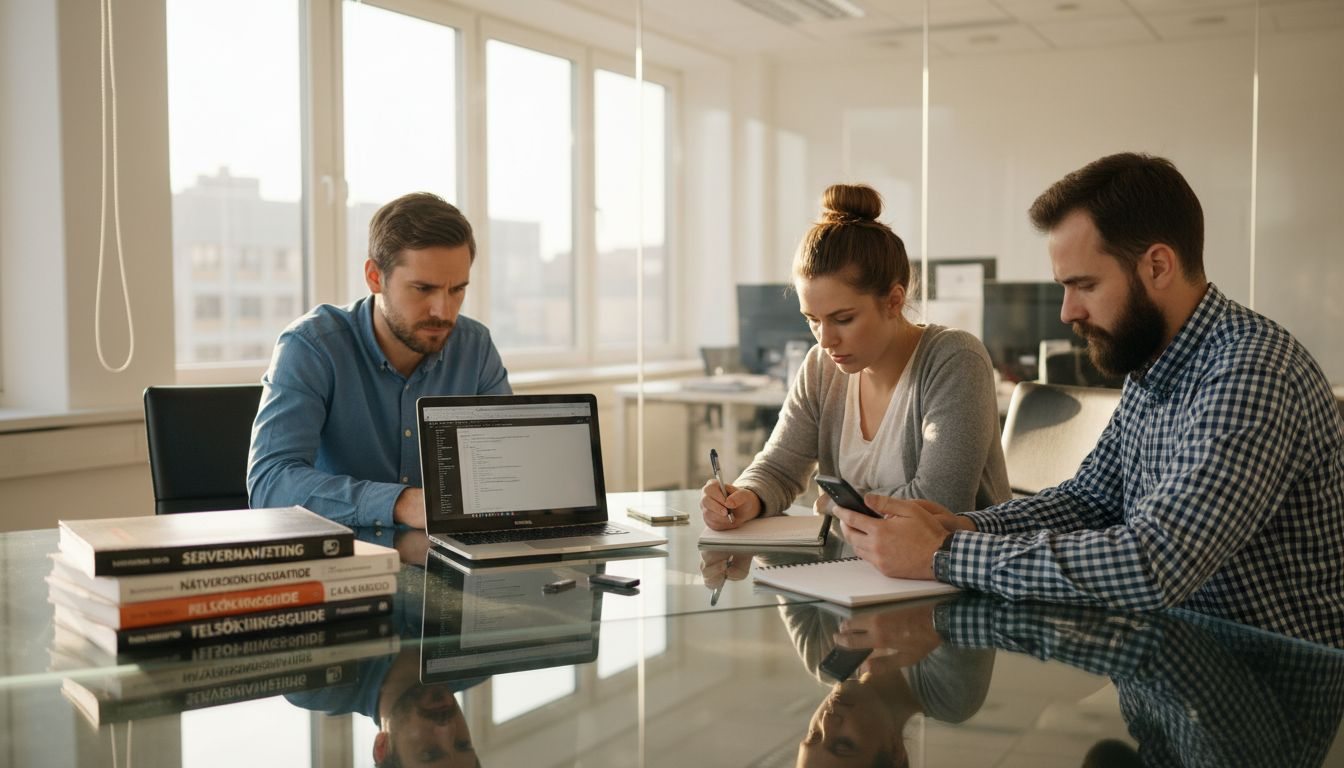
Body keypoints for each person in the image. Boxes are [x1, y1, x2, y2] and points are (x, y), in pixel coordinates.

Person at [833, 153, 1344, 647]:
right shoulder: (1153, 362)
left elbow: (1153, 563)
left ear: (1158, 266)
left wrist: (943, 553)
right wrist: (962, 524)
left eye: (1085, 285)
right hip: (1177, 661)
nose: (1066, 311)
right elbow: (1091, 501)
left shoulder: (1251, 370)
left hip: (1271, 687)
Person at [699, 183, 1009, 529]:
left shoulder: (954, 360)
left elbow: (937, 503)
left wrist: (833, 505)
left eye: (843, 319)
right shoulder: (821, 366)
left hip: (950, 574)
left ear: (893, 301)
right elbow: (779, 468)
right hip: (852, 573)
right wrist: (746, 495)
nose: (826, 339)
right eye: (812, 319)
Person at [248, 192, 510, 529]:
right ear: (374, 277)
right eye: (423, 289)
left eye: (456, 290)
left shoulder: (475, 347)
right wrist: (401, 503)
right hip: (343, 563)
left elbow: (504, 468)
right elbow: (270, 484)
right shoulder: (311, 347)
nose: (443, 311)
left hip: (445, 559)